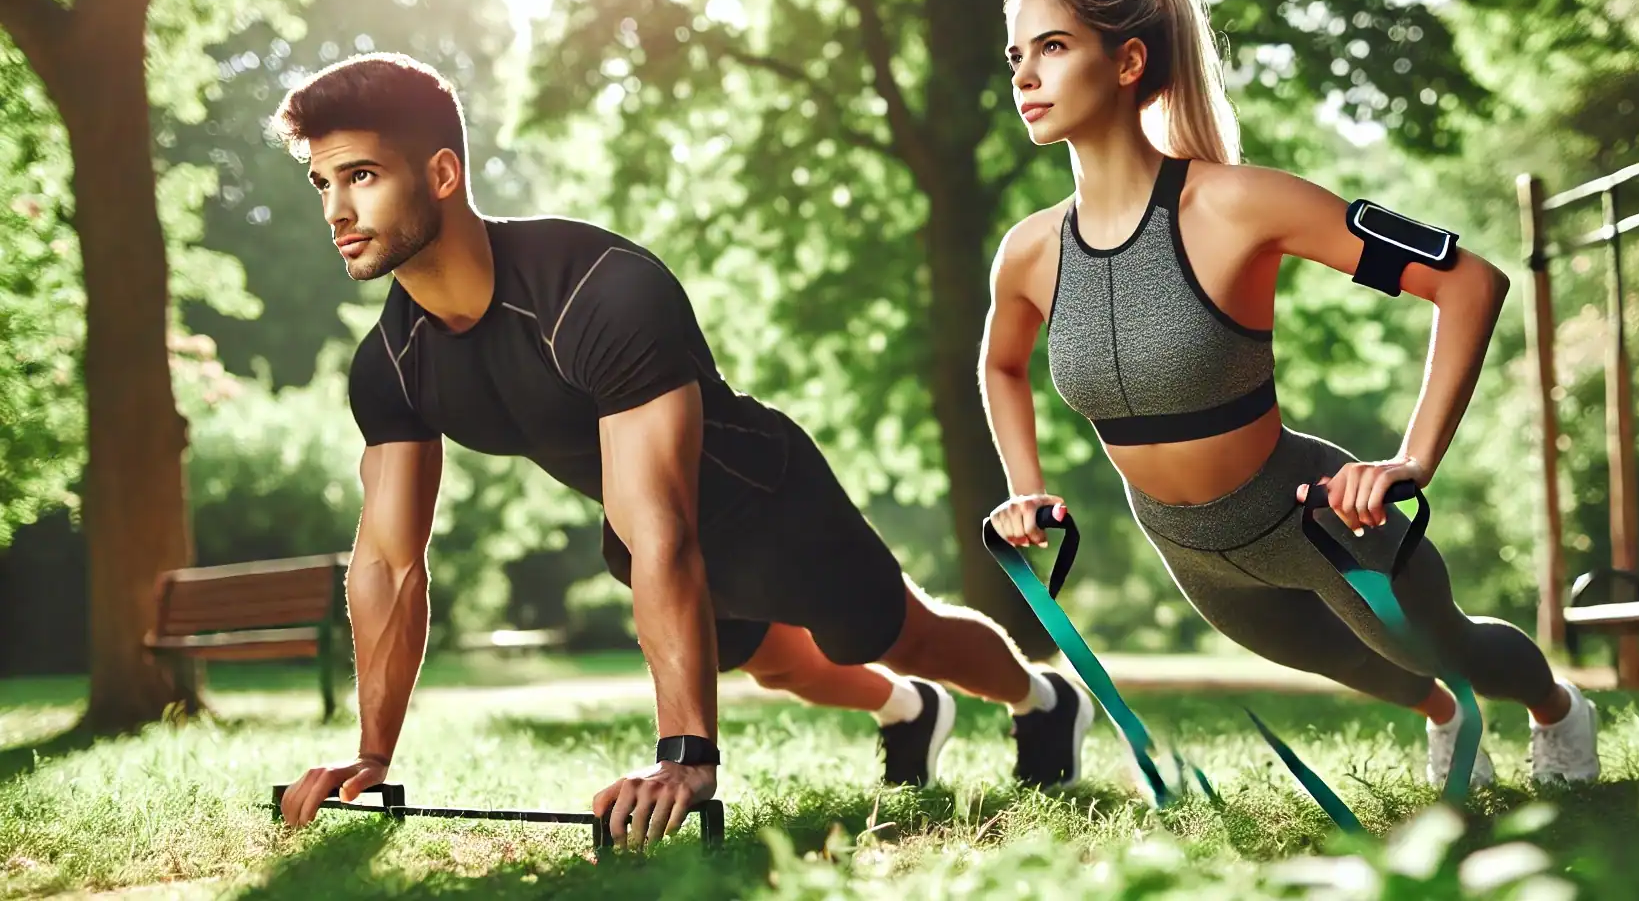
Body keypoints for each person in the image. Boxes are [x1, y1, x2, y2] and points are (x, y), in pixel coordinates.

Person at [270, 52, 1092, 847]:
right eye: (323, 183)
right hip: (643, 529)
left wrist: (686, 757)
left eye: (362, 177)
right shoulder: (391, 365)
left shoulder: (597, 291)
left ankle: (1041, 698)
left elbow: (662, 522)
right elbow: (386, 563)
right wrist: (372, 754)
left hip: (763, 496)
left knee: (898, 634)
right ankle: (910, 713)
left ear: (442, 175)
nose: (336, 210)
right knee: (783, 669)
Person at [981, 0, 1600, 791]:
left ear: (1128, 62)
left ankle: (1558, 711)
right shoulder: (1028, 251)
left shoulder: (1238, 204)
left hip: (1314, 517)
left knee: (1443, 647)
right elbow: (1002, 365)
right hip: (1187, 545)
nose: (1026, 74)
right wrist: (1025, 487)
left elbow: (1467, 282)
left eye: (1052, 47)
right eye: (1016, 55)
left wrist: (1410, 460)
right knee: (1380, 676)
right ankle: (1450, 724)